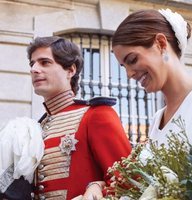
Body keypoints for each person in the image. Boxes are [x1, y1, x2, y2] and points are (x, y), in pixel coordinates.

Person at [27, 36, 132, 200]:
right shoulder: (36, 129)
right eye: (32, 63)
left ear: (71, 70)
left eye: (45, 62)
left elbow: (129, 182)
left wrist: (97, 188)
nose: (34, 69)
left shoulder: (96, 115)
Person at [112, 8, 192, 146]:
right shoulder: (156, 120)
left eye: (132, 59)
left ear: (161, 44)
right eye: (124, 66)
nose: (129, 75)